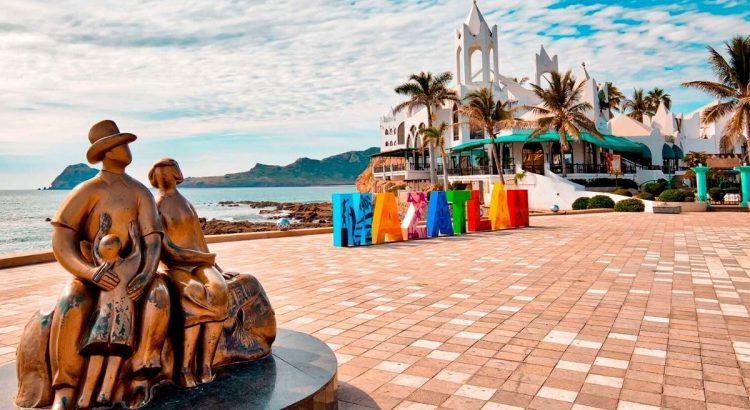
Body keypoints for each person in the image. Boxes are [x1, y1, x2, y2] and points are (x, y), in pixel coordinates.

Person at [49, 120, 170, 410]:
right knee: (71, 300)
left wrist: (146, 273)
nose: (127, 149)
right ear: (107, 151)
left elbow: (152, 240)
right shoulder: (86, 191)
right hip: (96, 273)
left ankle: (141, 376)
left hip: (133, 272)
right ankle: (65, 387)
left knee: (159, 295)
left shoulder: (140, 192)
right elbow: (62, 241)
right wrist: (90, 272)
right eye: (121, 144)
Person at [148, 158, 230, 387]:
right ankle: (184, 368)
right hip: (175, 266)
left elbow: (200, 240)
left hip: (200, 263)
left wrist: (217, 268)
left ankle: (205, 364)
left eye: (169, 170)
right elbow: (167, 249)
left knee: (219, 289)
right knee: (193, 292)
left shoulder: (185, 203)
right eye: (161, 171)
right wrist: (202, 259)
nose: (166, 175)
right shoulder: (156, 205)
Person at [77, 216, 142, 408]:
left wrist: (102, 230)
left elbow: (96, 246)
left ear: (105, 251)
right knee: (115, 355)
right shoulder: (130, 265)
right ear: (119, 248)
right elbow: (138, 251)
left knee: (98, 353)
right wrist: (135, 237)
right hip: (120, 318)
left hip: (104, 318)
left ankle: (87, 394)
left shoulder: (101, 266)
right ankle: (103, 392)